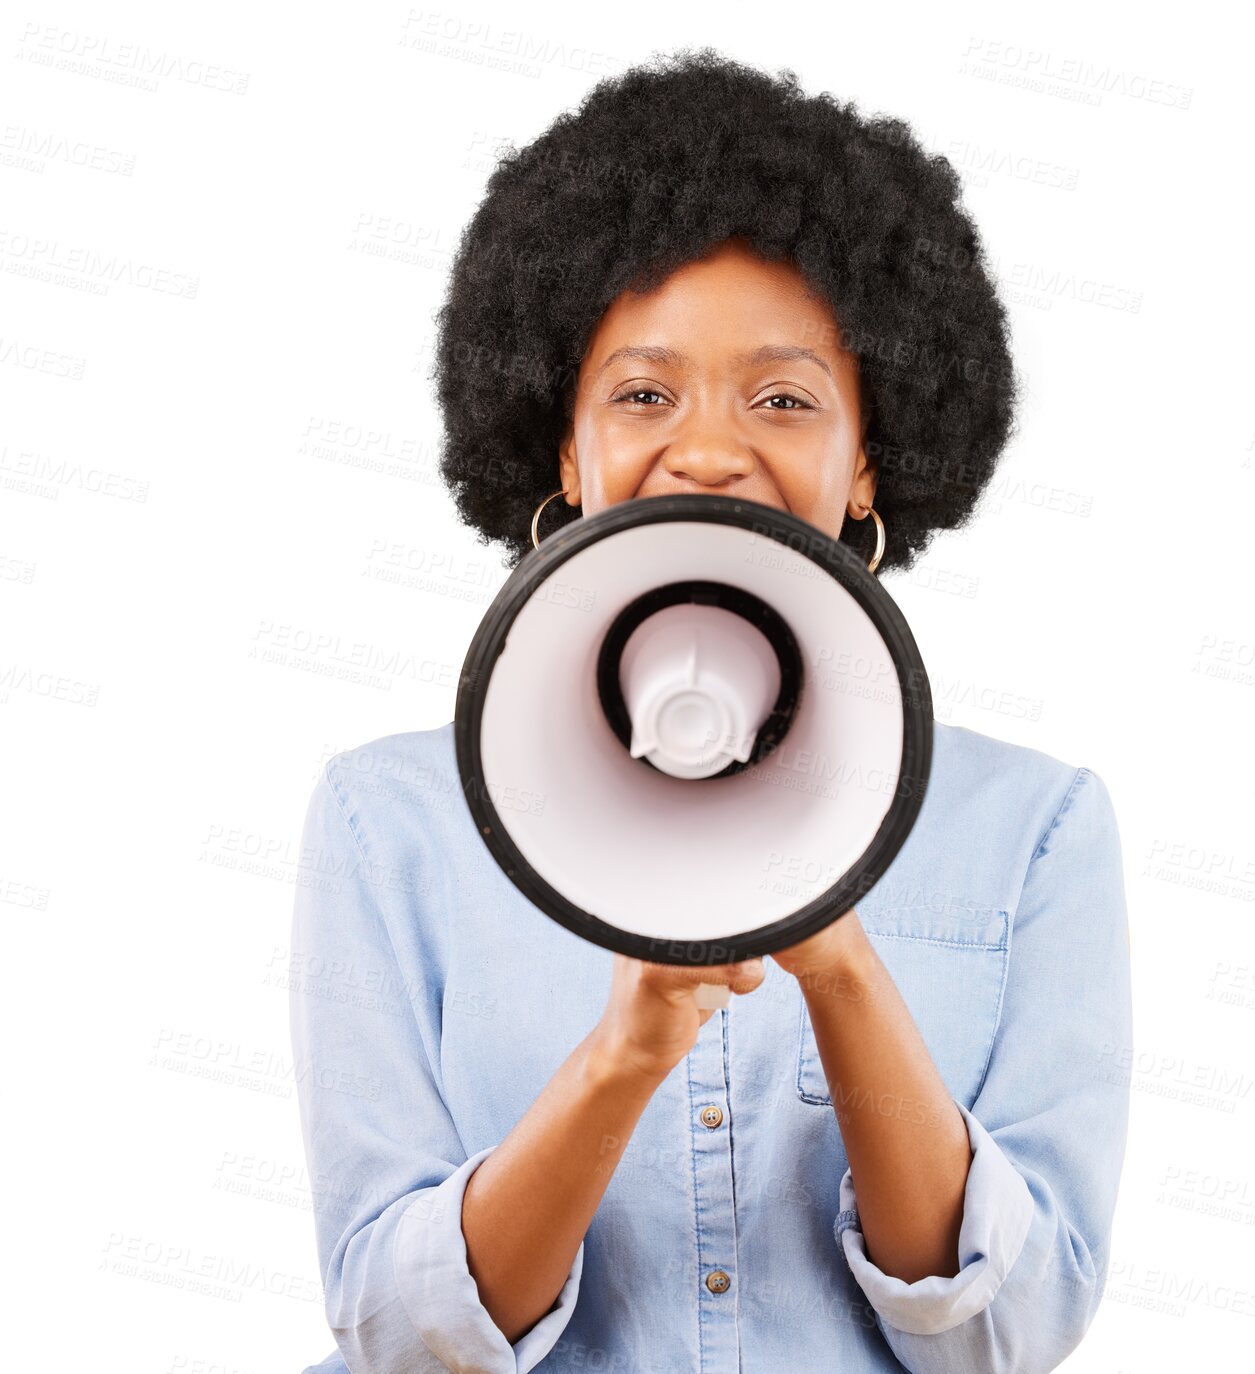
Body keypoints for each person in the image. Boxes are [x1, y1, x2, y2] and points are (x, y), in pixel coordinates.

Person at [290, 48, 1132, 1374]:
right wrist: (626, 1053)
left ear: (869, 461)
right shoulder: (391, 820)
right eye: (642, 392)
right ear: (563, 449)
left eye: (785, 398)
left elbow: (1006, 1340)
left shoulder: (1034, 829)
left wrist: (836, 950)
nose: (709, 447)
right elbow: (398, 1339)